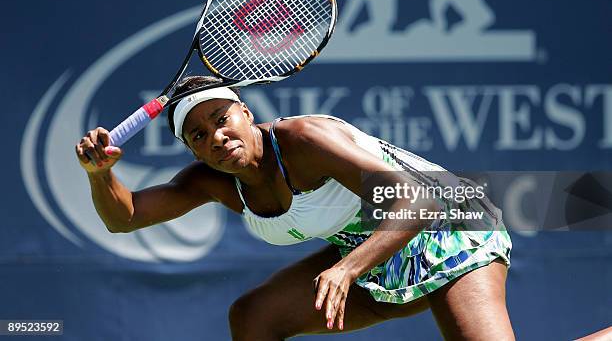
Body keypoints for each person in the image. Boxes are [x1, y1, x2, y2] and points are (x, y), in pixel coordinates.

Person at [76, 75, 514, 340]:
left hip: (449, 223)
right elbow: (125, 217)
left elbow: (417, 199)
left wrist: (347, 269)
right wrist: (100, 174)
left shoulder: (304, 141)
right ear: (193, 151)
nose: (215, 136)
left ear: (246, 114)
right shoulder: (211, 181)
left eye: (220, 119)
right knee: (254, 317)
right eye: (198, 135)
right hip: (369, 245)